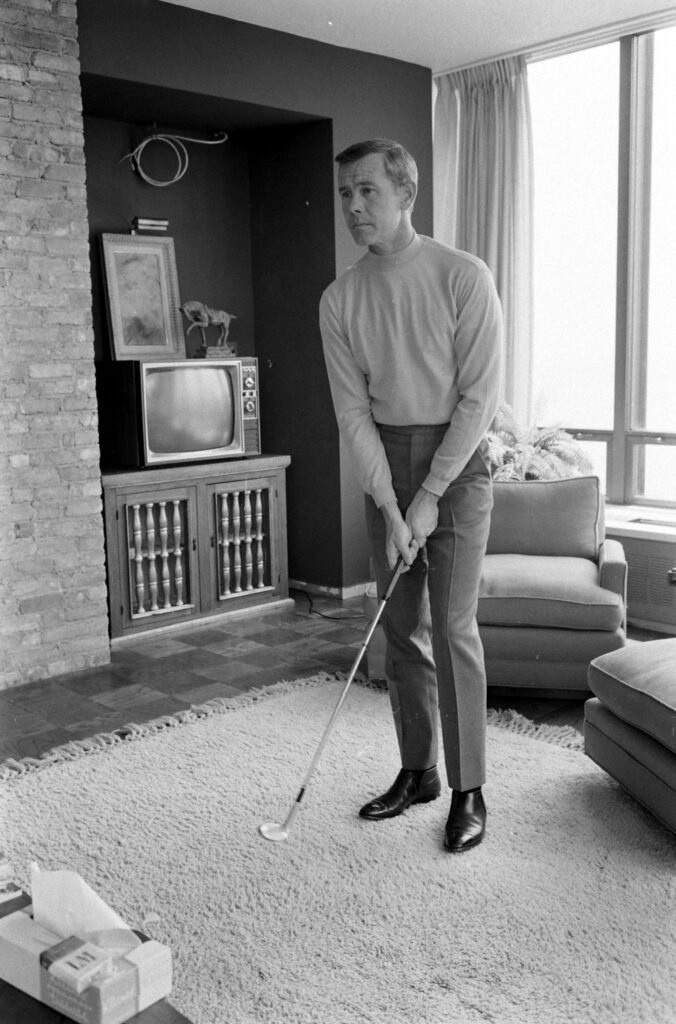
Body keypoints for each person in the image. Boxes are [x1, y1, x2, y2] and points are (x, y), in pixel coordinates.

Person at [319, 139, 503, 853]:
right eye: (344, 195)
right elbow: (352, 415)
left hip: (459, 465)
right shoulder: (339, 299)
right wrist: (394, 506)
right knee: (400, 630)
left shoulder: (463, 275)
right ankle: (419, 770)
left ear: (405, 192)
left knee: (453, 628)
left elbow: (479, 398)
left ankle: (469, 789)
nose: (354, 207)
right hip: (384, 470)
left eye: (367, 191)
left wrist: (429, 494)